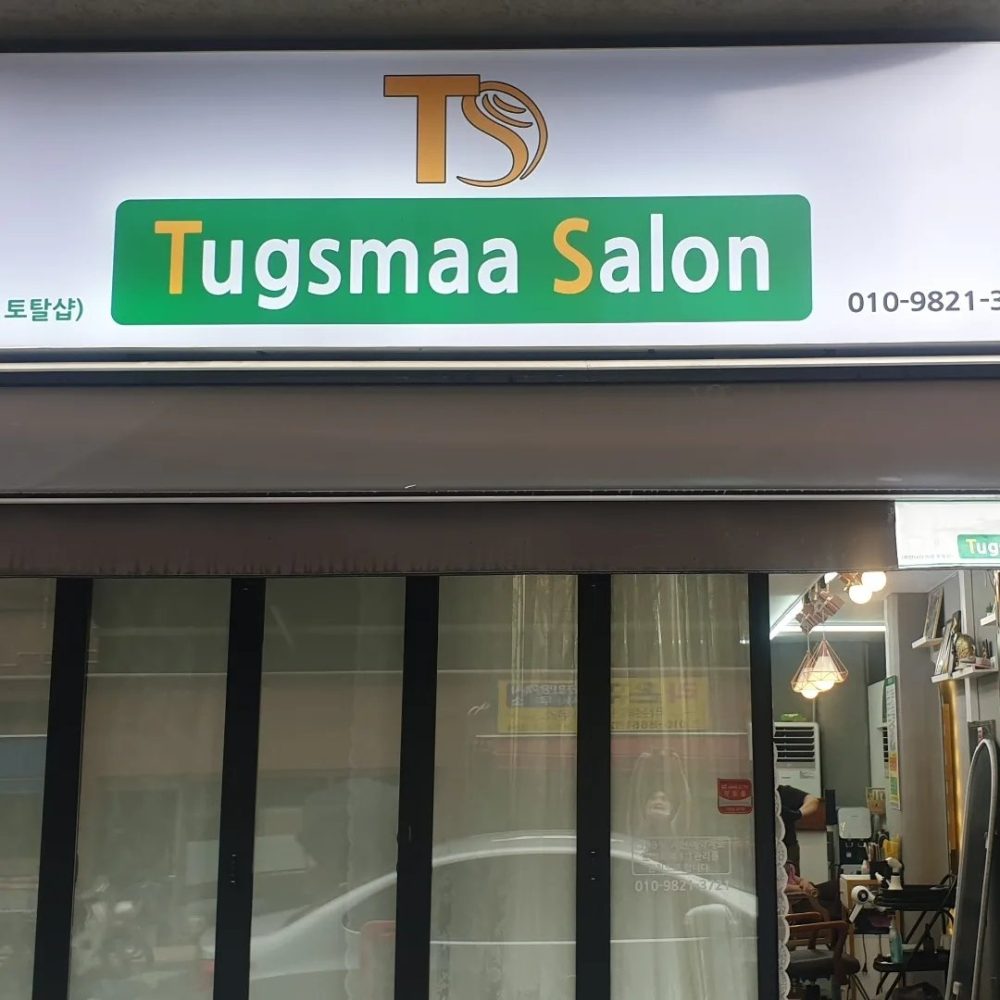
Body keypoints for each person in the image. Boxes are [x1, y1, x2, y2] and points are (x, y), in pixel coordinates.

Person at [778, 784, 821, 874]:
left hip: (788, 849)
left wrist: (798, 814)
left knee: (792, 878)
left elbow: (813, 801)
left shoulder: (782, 791)